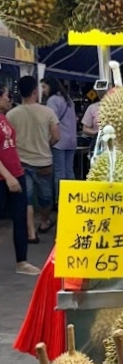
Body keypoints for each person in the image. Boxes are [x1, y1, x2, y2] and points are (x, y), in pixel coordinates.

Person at [7, 76, 59, 242]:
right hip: (45, 162)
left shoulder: (11, 114)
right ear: (35, 92)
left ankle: (30, 232)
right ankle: (44, 222)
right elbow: (57, 136)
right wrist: (46, 144)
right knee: (46, 198)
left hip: (21, 162)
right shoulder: (48, 112)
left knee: (27, 199)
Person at [0, 84, 39, 276]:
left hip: (16, 174)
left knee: (20, 218)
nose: (10, 99)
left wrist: (16, 172)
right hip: (4, 178)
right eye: (7, 95)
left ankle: (22, 261)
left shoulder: (4, 118)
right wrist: (7, 176)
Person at [41, 75, 77, 191]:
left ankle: (60, 200)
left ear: (51, 86)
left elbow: (52, 121)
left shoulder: (52, 100)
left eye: (44, 86)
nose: (43, 90)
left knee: (59, 172)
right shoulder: (68, 99)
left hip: (59, 141)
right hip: (71, 141)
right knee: (69, 171)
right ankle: (71, 198)